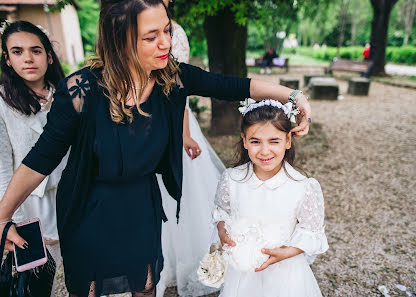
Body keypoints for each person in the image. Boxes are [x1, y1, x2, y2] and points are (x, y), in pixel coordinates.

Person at [0, 1, 311, 297]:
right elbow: (40, 158)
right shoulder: (80, 91)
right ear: (120, 41)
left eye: (166, 31)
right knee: (86, 287)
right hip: (87, 206)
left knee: (146, 283)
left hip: (140, 203)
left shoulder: (171, 78)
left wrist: (293, 95)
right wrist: (3, 218)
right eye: (151, 36)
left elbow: (236, 85)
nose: (166, 43)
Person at [214, 100, 328, 297]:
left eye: (274, 141)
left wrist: (285, 252)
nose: (264, 151)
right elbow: (223, 212)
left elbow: (311, 232)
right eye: (255, 141)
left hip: (285, 274)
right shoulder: (232, 179)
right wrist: (223, 231)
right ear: (244, 140)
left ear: (288, 141)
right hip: (243, 273)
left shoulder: (302, 186)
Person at [156, 1, 223, 296]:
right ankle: (160, 263)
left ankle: (188, 261)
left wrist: (183, 133)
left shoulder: (176, 32)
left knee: (184, 192)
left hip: (175, 118)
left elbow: (176, 84)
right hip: (143, 120)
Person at [0, 20, 66, 297]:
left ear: (49, 57)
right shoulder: (3, 102)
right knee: (37, 280)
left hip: (68, 194)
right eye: (17, 51)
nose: (27, 58)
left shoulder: (67, 94)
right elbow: (2, 165)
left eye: (36, 50)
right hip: (28, 204)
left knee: (78, 272)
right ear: (7, 59)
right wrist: (7, 218)